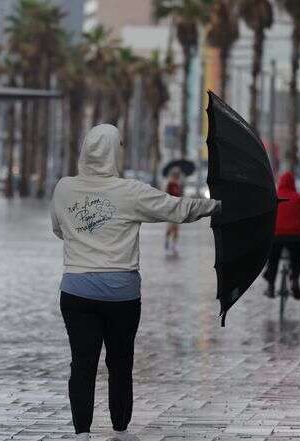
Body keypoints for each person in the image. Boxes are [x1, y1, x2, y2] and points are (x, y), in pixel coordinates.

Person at [51, 124, 221, 441]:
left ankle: (82, 431)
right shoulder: (131, 192)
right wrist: (216, 205)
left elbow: (58, 229)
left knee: (82, 361)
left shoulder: (64, 188)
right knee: (120, 360)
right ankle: (119, 425)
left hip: (76, 291)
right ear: (116, 152)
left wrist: (82, 235)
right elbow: (177, 208)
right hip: (122, 295)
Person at [263, 171, 300, 300]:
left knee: (273, 260)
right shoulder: (299, 198)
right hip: (295, 237)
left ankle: (271, 286)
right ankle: (294, 280)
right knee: (298, 256)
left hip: (276, 236)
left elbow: (266, 218)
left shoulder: (273, 196)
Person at [164, 168, 183, 254]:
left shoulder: (179, 185)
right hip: (171, 209)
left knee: (176, 229)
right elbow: (166, 195)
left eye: (178, 175)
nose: (177, 176)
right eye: (176, 175)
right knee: (170, 228)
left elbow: (180, 196)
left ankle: (174, 245)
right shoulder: (170, 184)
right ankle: (167, 240)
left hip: (177, 209)